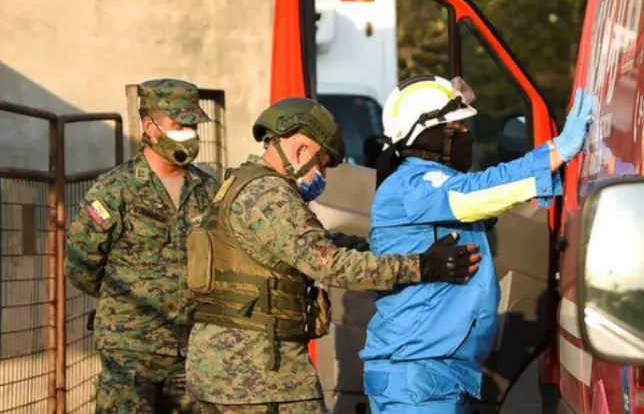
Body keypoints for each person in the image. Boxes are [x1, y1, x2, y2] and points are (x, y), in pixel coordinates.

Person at [184, 97, 482, 414]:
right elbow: (332, 265)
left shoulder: (238, 183)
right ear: (300, 151)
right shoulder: (270, 194)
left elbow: (318, 243)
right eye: (322, 163)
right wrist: (422, 266)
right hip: (258, 375)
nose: (322, 176)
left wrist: (391, 246)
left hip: (227, 367)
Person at [361, 75, 595, 413]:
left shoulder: (429, 183)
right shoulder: (412, 187)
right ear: (426, 132)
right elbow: (482, 191)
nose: (466, 134)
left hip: (432, 372)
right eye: (456, 127)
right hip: (417, 375)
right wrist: (555, 152)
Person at [65, 78, 220, 414]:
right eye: (179, 125)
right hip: (130, 351)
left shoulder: (208, 189)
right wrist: (127, 305)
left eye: (193, 125)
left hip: (191, 350)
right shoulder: (116, 189)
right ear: (150, 126)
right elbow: (81, 266)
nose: (189, 133)